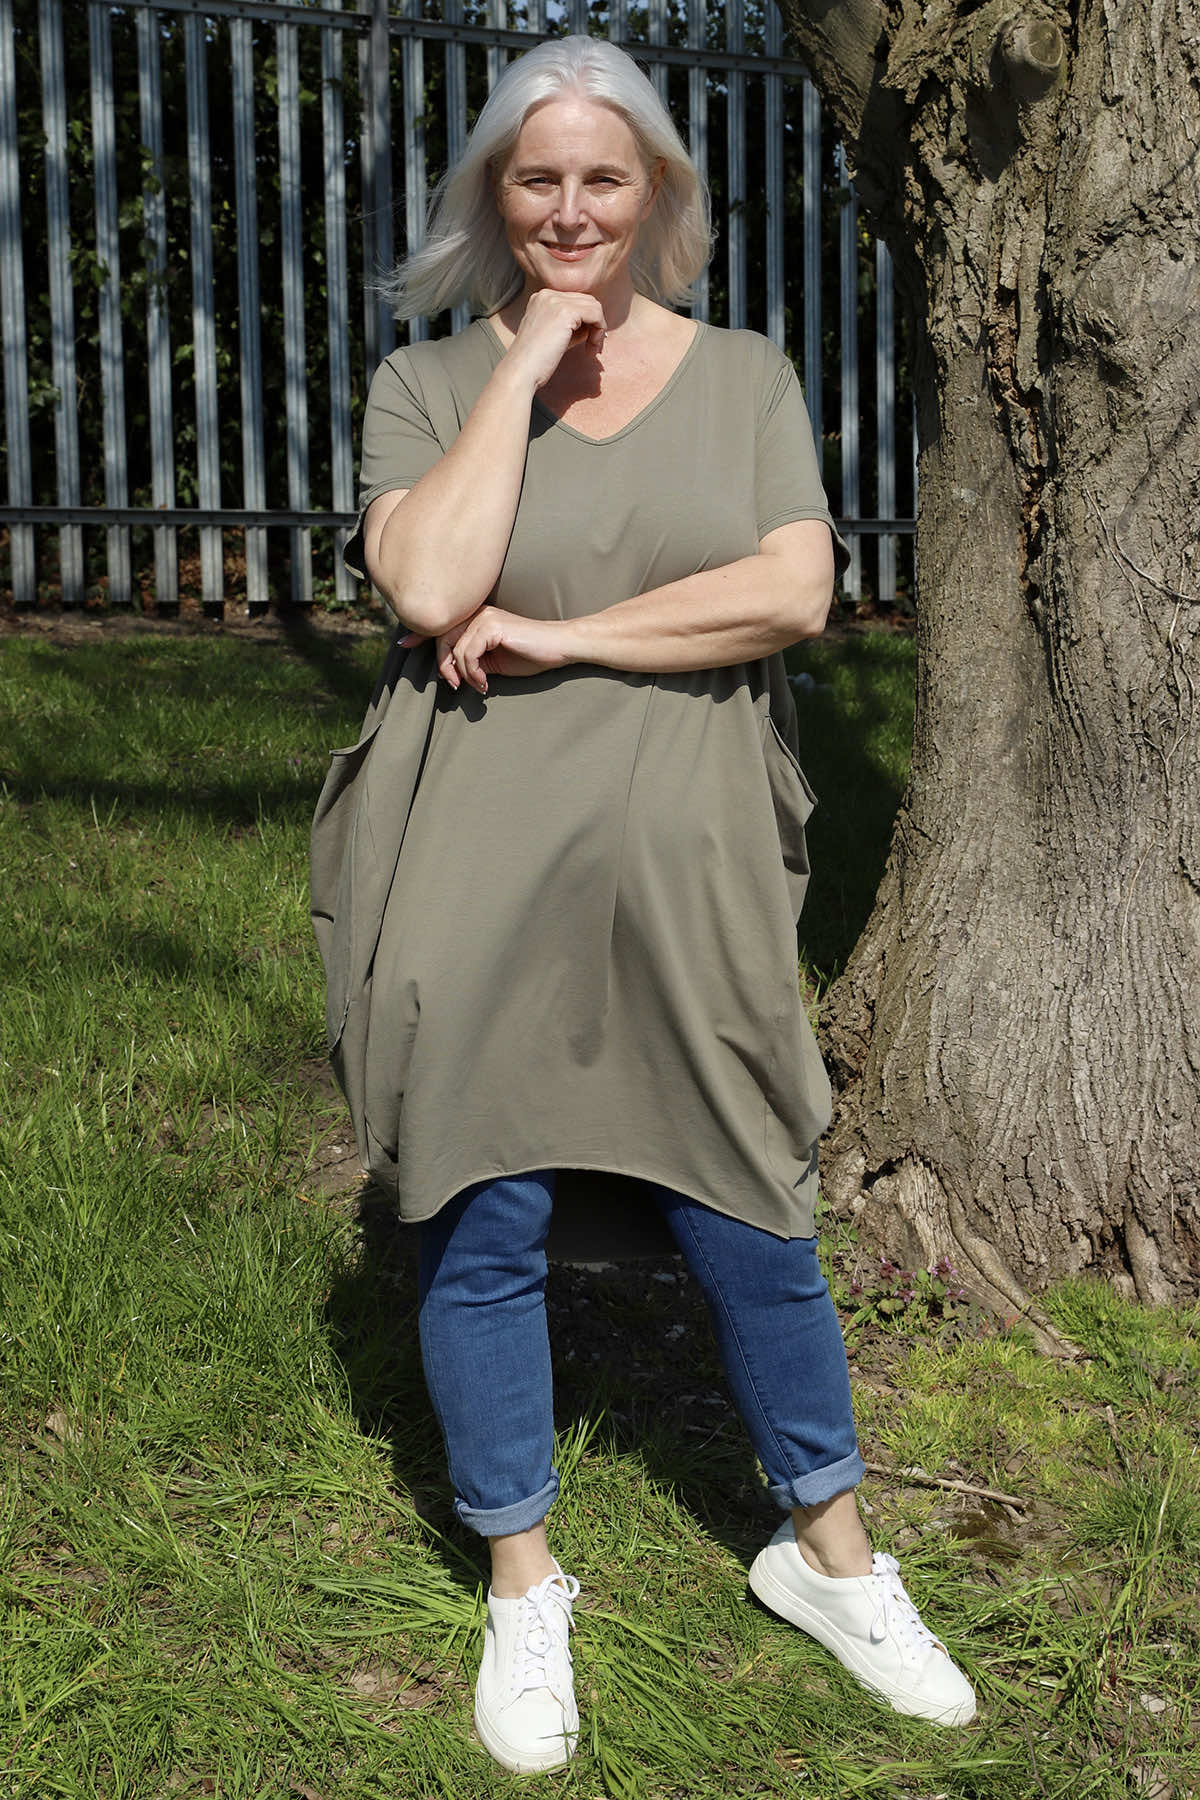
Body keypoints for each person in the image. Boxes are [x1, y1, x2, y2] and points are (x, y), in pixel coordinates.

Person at [312, 33, 976, 1777]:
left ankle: (831, 1558)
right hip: (474, 848)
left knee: (751, 1196)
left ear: (657, 191)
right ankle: (522, 1580)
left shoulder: (744, 374)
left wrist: (562, 635)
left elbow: (794, 590)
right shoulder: (429, 383)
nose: (570, 208)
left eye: (603, 177)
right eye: (536, 178)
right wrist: (527, 364)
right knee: (482, 1200)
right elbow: (431, 579)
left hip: (694, 851)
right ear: (494, 196)